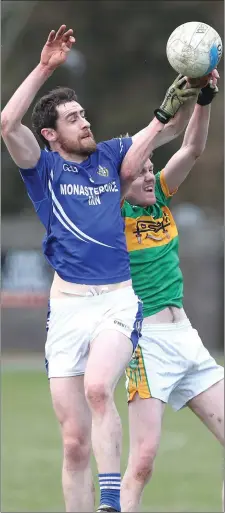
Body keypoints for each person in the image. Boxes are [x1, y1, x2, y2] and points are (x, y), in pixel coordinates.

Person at [1, 25, 200, 513]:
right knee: (73, 444)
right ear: (50, 135)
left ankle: (110, 504)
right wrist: (46, 67)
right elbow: (7, 123)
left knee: (97, 387)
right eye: (72, 119)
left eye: (84, 113)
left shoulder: (112, 158)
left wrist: (188, 92)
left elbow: (167, 132)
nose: (84, 122)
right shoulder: (43, 171)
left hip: (116, 298)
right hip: (67, 307)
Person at [120, 72, 224, 512]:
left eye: (150, 168)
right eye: (141, 170)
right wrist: (157, 120)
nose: (148, 175)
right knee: (142, 463)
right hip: (148, 346)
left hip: (187, 340)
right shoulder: (112, 215)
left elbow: (193, 149)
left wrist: (204, 99)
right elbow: (125, 168)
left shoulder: (161, 195)